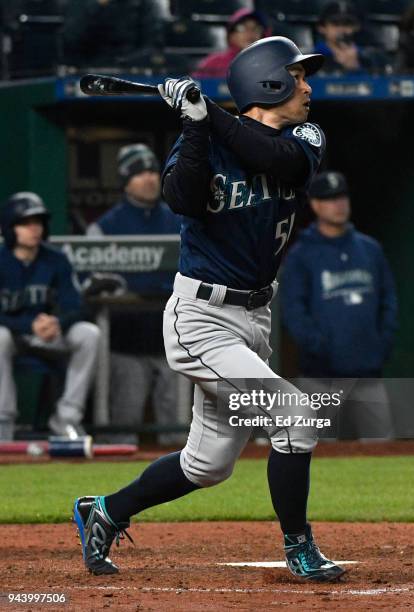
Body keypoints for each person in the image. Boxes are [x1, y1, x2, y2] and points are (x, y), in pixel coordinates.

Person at [73, 36, 346, 583]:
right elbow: (183, 198)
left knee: (206, 466)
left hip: (255, 319)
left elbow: (280, 161)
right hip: (201, 319)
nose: (307, 87)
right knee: (296, 417)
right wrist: (195, 125)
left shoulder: (305, 136)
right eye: (297, 77)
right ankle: (300, 547)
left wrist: (209, 115)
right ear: (269, 82)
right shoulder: (201, 139)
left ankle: (104, 511)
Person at [281, 171, 398, 438]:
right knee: (320, 452)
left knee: (383, 450)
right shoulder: (301, 255)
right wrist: (318, 348)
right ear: (315, 204)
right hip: (320, 377)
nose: (339, 204)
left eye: (342, 197)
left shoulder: (370, 249)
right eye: (330, 198)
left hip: (368, 373)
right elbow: (293, 312)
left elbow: (388, 301)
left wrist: (381, 345)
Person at [87, 144, 182, 445]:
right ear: (125, 180)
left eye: (153, 171)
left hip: (172, 339)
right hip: (125, 341)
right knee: (122, 429)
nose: (150, 178)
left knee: (178, 429)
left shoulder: (179, 220)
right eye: (140, 173)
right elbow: (95, 282)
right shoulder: (104, 227)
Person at [0, 193, 100, 441]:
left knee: (89, 334)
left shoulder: (56, 259)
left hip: (49, 334)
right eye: (26, 223)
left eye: (38, 222)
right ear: (10, 228)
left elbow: (76, 306)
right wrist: (27, 324)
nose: (34, 228)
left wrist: (57, 322)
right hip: (12, 335)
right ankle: (3, 421)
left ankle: (66, 418)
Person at [62, 0, 164, 68]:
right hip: (90, 68)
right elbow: (70, 40)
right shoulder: (81, 4)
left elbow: (153, 46)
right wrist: (97, 6)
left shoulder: (146, 5)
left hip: (132, 69)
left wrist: (127, 63)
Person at [191, 8, 268, 79]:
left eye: (256, 28)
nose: (250, 33)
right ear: (230, 34)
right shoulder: (214, 63)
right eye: (242, 28)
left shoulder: (271, 62)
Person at [313, 0, 383, 75]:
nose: (341, 29)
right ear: (321, 27)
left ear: (356, 27)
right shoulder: (312, 58)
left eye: (347, 24)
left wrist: (355, 66)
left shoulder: (369, 58)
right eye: (335, 24)